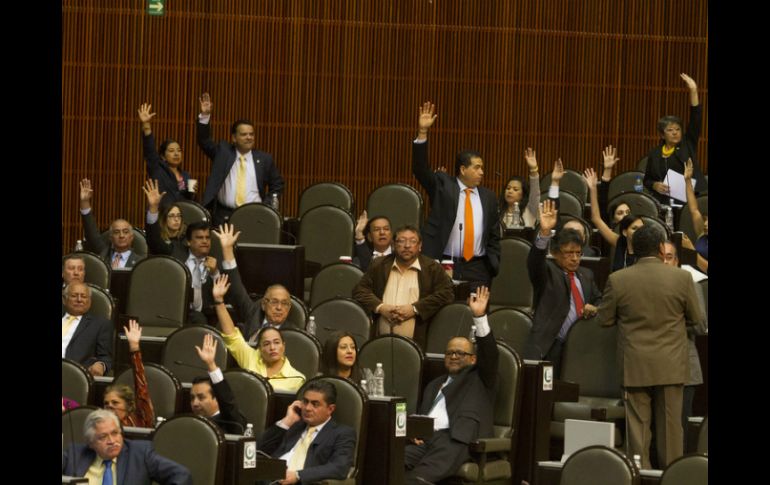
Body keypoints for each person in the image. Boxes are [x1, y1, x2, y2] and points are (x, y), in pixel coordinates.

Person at [598, 225, 703, 469]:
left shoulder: (618, 279)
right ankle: (672, 478)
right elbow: (697, 320)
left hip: (635, 365)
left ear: (633, 249)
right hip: (671, 365)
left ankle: (639, 477)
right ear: (660, 248)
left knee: (638, 435)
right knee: (671, 435)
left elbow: (604, 320)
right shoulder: (682, 278)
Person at [404, 286, 497, 484]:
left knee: (419, 479)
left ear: (473, 359)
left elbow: (490, 354)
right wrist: (414, 433)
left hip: (455, 440)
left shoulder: (480, 378)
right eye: (449, 353)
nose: (454, 356)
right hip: (425, 440)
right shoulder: (433, 385)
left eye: (460, 353)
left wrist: (479, 317)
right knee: (389, 465)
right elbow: (422, 417)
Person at [412, 101, 500, 289]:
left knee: (477, 307)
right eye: (477, 167)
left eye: (482, 168)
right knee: (442, 305)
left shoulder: (489, 197)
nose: (482, 172)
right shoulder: (443, 186)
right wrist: (422, 133)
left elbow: (493, 234)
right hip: (444, 263)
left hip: (478, 267)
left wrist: (493, 262)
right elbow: (420, 170)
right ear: (462, 169)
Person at [525, 200, 602, 376]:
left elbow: (600, 299)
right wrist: (544, 233)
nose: (575, 258)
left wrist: (595, 308)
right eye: (569, 253)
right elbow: (534, 262)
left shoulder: (587, 275)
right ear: (555, 253)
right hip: (551, 346)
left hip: (580, 346)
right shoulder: (547, 272)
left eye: (578, 253)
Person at [353, 225, 455, 348]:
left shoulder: (432, 268)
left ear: (420, 246)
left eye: (413, 241)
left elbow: (447, 294)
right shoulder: (379, 265)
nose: (407, 245)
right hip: (380, 342)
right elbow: (360, 291)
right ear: (393, 245)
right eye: (401, 241)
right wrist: (381, 307)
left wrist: (415, 309)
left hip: (417, 344)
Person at [196, 92, 285, 226]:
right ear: (234, 138)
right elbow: (204, 141)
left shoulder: (265, 159)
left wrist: (266, 204)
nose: (249, 137)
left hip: (255, 215)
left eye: (251, 134)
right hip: (224, 215)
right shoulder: (223, 153)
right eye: (244, 134)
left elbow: (277, 184)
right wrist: (205, 116)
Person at [213, 274, 306, 392]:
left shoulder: (297, 379)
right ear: (259, 347)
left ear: (284, 346)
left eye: (277, 342)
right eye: (266, 344)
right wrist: (219, 301)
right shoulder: (251, 358)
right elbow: (231, 336)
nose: (279, 307)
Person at [213, 223, 299, 343]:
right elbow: (237, 290)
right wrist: (227, 250)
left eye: (285, 303)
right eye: (274, 302)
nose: (279, 308)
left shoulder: (294, 334)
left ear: (289, 308)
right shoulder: (253, 314)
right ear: (263, 304)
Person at [259, 380, 356, 484]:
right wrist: (287, 421)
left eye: (315, 404)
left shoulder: (342, 433)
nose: (307, 408)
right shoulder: (293, 426)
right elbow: (258, 450)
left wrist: (298, 475)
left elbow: (339, 468)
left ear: (330, 409)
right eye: (305, 402)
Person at [62, 409, 192, 485]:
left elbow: (182, 475)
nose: (112, 441)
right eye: (103, 437)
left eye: (115, 433)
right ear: (91, 443)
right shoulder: (75, 454)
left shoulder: (139, 453)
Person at [661, 241, 708, 436]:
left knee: (679, 430)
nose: (665, 262)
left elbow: (700, 326)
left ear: (677, 261)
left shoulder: (691, 286)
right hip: (653, 367)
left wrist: (672, 322)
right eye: (661, 258)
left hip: (684, 368)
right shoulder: (646, 287)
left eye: (669, 257)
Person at [643, 73, 707, 205]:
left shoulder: (687, 144)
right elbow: (647, 180)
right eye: (670, 130)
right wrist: (655, 185)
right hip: (663, 202)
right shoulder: (655, 153)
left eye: (677, 129)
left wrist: (693, 90)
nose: (675, 133)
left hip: (690, 201)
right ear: (662, 135)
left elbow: (696, 118)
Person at [584, 168, 645, 272]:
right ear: (625, 232)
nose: (625, 216)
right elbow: (596, 218)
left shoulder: (648, 248)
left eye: (628, 212)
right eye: (634, 228)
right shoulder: (619, 242)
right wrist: (593, 189)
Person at [79, 178, 144, 268]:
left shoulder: (141, 262)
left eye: (125, 232)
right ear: (111, 237)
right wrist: (85, 201)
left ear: (131, 237)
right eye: (116, 232)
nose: (121, 236)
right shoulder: (103, 254)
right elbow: (91, 232)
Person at [138, 102, 195, 207]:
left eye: (179, 150)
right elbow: (149, 150)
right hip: (162, 214)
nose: (176, 153)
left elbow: (189, 199)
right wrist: (146, 125)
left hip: (181, 215)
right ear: (163, 156)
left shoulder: (185, 175)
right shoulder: (157, 169)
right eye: (172, 151)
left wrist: (192, 191)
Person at [190, 333, 248, 434]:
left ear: (217, 398)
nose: (194, 403)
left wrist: (211, 365)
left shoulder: (231, 421)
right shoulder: (190, 423)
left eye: (201, 397)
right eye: (192, 398)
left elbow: (227, 402)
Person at [102, 320, 155, 427]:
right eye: (106, 403)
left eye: (115, 402)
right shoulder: (102, 425)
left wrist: (134, 348)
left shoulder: (140, 419)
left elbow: (142, 388)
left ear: (128, 405)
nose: (109, 406)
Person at [62, 282, 113, 376]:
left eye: (84, 296)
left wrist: (101, 365)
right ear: (64, 300)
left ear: (89, 301)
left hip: (75, 375)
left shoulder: (100, 324)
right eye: (74, 296)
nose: (79, 300)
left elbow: (105, 358)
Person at [143, 179, 188, 258]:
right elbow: (154, 240)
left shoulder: (187, 237)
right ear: (163, 219)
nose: (176, 219)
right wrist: (153, 207)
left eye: (179, 215)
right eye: (172, 216)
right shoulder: (158, 239)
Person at [499, 147, 541, 230]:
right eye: (508, 188)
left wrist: (533, 170)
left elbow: (535, 193)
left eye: (515, 189)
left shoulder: (530, 209)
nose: (510, 191)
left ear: (523, 194)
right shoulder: (498, 211)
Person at [683, 159, 708, 273]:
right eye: (705, 220)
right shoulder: (702, 233)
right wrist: (688, 180)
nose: (705, 224)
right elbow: (693, 209)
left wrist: (691, 250)